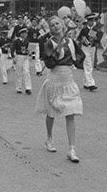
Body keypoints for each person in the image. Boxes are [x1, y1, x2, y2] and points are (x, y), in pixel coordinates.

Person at [36, 16, 85, 163]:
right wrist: (54, 54)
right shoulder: (48, 43)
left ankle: (72, 149)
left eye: (57, 23)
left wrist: (76, 59)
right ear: (50, 29)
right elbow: (49, 64)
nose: (55, 26)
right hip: (54, 80)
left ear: (62, 25)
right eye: (52, 25)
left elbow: (79, 57)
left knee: (71, 113)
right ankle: (49, 138)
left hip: (68, 80)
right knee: (51, 113)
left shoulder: (70, 41)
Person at [78, 14, 101, 91]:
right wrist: (83, 39)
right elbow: (79, 38)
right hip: (85, 48)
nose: (91, 22)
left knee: (90, 64)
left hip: (92, 48)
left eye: (92, 20)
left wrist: (96, 38)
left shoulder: (95, 29)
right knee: (88, 64)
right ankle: (91, 84)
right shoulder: (84, 29)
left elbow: (99, 40)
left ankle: (86, 83)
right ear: (87, 21)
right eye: (90, 21)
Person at [10, 25, 33, 94]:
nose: (26, 35)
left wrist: (30, 53)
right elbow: (12, 49)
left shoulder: (27, 41)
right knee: (18, 72)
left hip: (25, 57)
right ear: (21, 34)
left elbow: (29, 49)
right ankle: (19, 88)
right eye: (25, 33)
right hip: (19, 56)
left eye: (26, 33)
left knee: (27, 72)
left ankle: (28, 88)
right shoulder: (16, 41)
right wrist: (13, 57)